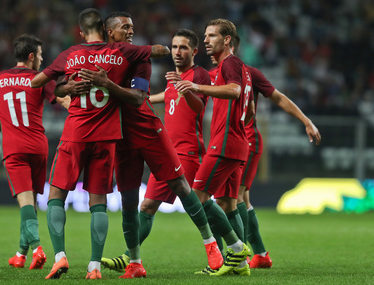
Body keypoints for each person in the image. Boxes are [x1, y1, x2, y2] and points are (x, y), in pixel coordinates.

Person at [75, 12, 223, 278]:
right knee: (130, 202)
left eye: (133, 26)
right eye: (126, 27)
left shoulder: (138, 56)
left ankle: (211, 244)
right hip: (121, 136)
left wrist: (108, 82)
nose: (132, 30)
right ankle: (135, 262)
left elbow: (137, 98)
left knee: (181, 185)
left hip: (148, 129)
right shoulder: (96, 58)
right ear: (110, 32)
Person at [31, 8, 160, 280]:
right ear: (104, 29)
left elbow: (37, 83)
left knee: (56, 196)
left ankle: (60, 257)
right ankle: (94, 267)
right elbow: (159, 51)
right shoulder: (122, 52)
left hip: (75, 133)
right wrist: (148, 50)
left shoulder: (70, 54)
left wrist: (65, 87)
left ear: (80, 31)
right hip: (107, 136)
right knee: (98, 201)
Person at [100, 28, 210, 270]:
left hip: (189, 151)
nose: (177, 52)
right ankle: (130, 257)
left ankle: (229, 251)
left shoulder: (198, 75)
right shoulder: (173, 81)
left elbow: (199, 107)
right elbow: (154, 98)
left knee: (204, 204)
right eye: (174, 47)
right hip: (169, 150)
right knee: (148, 207)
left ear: (194, 50)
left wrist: (186, 87)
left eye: (183, 47)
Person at [214, 34, 321, 269]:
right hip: (229, 141)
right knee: (241, 199)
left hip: (247, 141)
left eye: (213, 38)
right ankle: (260, 254)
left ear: (229, 45)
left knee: (234, 198)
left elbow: (278, 98)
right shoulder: (215, 74)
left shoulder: (249, 72)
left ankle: (238, 255)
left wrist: (306, 120)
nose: (209, 43)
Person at [0, 34, 69, 271]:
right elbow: (63, 101)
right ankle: (20, 255)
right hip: (39, 147)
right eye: (41, 55)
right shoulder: (40, 78)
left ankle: (37, 249)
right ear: (32, 56)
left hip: (14, 148)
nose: (43, 60)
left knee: (25, 203)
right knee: (32, 203)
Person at [174, 18, 255, 276]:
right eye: (205, 36)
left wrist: (198, 86)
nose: (206, 40)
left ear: (227, 39)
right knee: (228, 203)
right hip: (237, 143)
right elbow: (250, 108)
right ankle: (240, 266)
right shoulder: (232, 67)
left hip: (225, 144)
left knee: (197, 198)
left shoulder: (231, 64)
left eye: (211, 36)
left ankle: (237, 247)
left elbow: (234, 91)